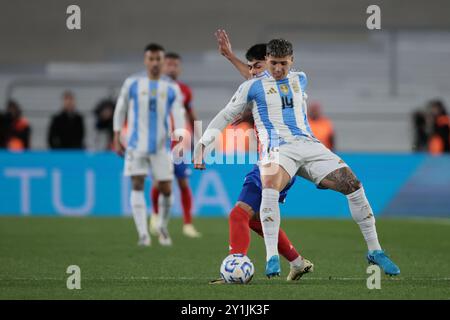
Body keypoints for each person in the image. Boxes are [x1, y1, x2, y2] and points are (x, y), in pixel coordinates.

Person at [195, 38, 400, 278]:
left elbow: (274, 92)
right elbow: (224, 115)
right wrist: (202, 144)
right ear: (267, 61)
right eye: (273, 63)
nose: (278, 69)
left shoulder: (300, 79)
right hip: (278, 149)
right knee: (269, 185)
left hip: (310, 146)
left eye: (283, 63)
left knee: (353, 185)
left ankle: (375, 250)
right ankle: (273, 257)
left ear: (292, 61)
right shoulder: (252, 87)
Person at [206, 30, 313, 283]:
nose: (253, 72)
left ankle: (235, 266)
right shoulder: (267, 86)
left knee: (238, 214)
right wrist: (230, 56)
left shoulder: (283, 84)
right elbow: (254, 79)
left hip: (276, 160)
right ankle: (297, 262)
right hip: (278, 161)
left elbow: (257, 79)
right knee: (254, 220)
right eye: (252, 67)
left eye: (258, 66)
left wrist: (231, 57)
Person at [113, 43, 185, 247]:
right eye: (151, 59)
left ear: (163, 62)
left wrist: (179, 140)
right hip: (135, 145)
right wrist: (116, 135)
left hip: (161, 146)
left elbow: (178, 114)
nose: (154, 63)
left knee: (167, 189)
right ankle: (143, 234)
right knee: (136, 183)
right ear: (146, 61)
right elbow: (121, 109)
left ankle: (161, 225)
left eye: (158, 59)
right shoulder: (133, 83)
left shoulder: (171, 87)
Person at [149, 52, 202, 238]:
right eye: (168, 64)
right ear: (163, 67)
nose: (171, 68)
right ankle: (155, 216)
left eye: (175, 65)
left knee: (183, 182)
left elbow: (191, 115)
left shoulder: (185, 91)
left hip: (178, 143)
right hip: (159, 143)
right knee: (159, 181)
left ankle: (187, 224)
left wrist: (200, 140)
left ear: (179, 68)